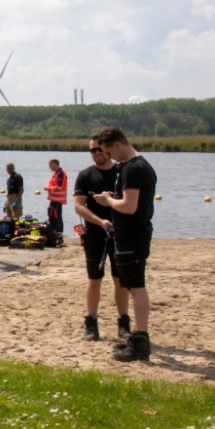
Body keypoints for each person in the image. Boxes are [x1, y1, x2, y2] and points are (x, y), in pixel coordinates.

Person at [93, 126, 157, 362]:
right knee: (131, 284)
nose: (110, 157)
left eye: (109, 152)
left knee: (136, 286)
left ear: (117, 145)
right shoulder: (140, 165)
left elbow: (129, 206)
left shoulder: (133, 168)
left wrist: (109, 200)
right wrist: (115, 196)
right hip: (133, 232)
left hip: (132, 234)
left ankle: (140, 339)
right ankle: (138, 339)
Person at [74, 134, 130, 342]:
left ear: (107, 149)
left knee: (120, 280)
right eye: (92, 151)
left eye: (99, 149)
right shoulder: (85, 175)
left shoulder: (121, 172)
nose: (96, 153)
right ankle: (91, 323)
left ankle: (123, 323)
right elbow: (79, 205)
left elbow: (131, 201)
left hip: (120, 234)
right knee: (94, 280)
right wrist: (99, 221)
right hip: (95, 234)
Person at [45, 158, 69, 236]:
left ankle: (59, 232)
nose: (49, 167)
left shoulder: (61, 173)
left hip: (58, 199)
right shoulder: (55, 173)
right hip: (53, 199)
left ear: (54, 164)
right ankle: (52, 230)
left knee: (57, 216)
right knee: (51, 215)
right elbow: (52, 184)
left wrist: (47, 188)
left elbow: (59, 187)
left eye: (50, 165)